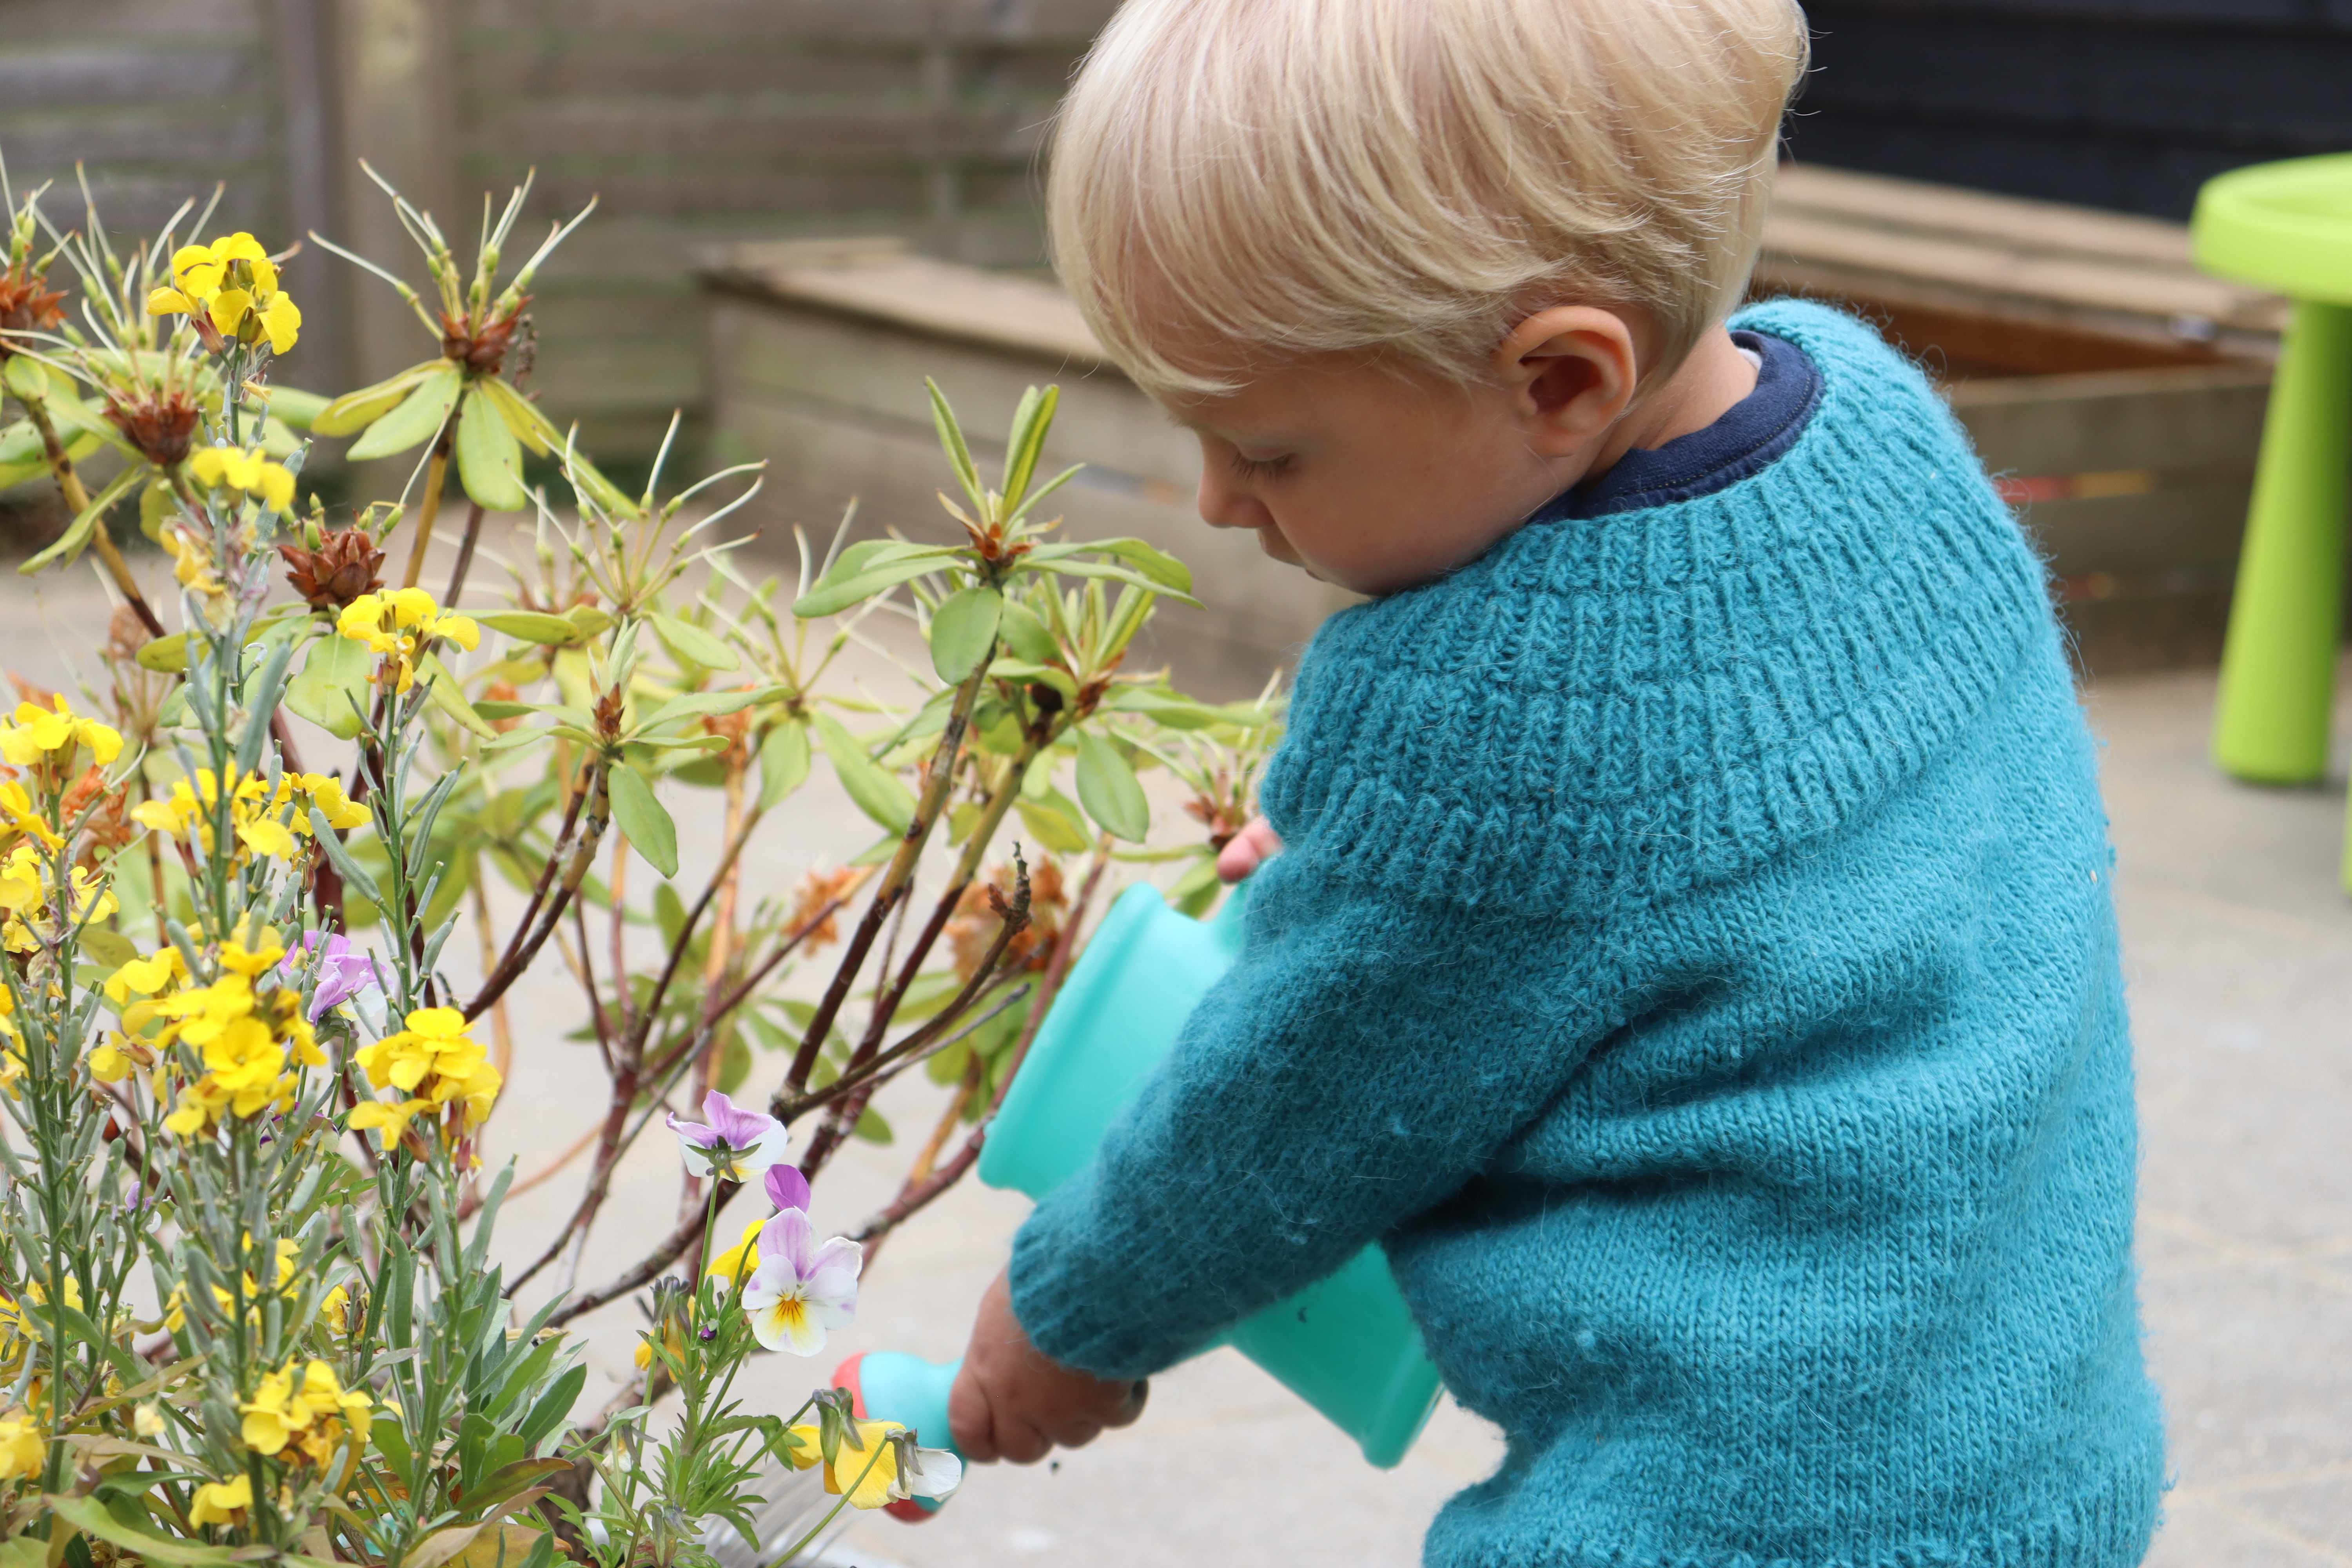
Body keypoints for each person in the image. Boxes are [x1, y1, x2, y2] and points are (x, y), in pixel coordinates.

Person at [947, 0, 2167, 1563]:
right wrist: (1380, 883)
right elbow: (1747, 886)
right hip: (2028, 1454)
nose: (1218, 499)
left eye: (1267, 448)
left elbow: (1292, 1111)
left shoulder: (1488, 705)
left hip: (1724, 1514)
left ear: (1561, 385)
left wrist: (1067, 1314)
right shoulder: (1883, 425)